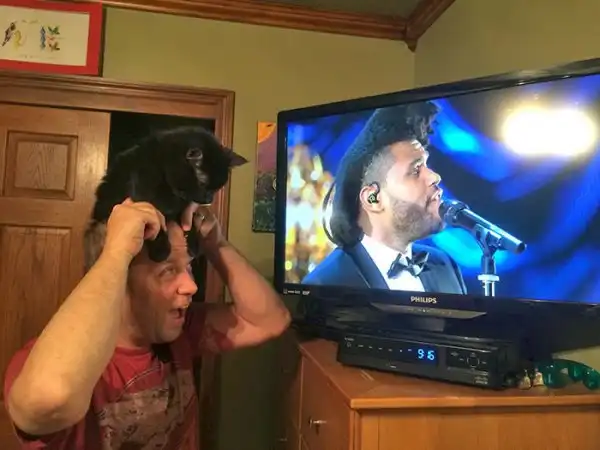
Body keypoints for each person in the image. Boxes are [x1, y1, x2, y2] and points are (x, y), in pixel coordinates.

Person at [4, 198, 291, 449]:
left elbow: (270, 320)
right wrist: (116, 253)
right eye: (168, 271)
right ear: (120, 282)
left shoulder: (180, 331)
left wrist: (217, 244)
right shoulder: (52, 365)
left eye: (188, 267)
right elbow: (49, 399)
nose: (191, 285)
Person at [303, 102, 467, 295]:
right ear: (373, 198)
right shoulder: (325, 285)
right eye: (416, 170)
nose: (434, 176)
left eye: (426, 165)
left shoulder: (445, 266)